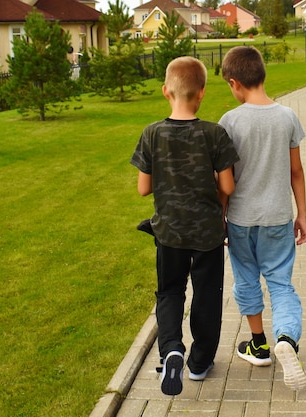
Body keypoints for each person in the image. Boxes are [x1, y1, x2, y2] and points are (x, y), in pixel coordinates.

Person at [130, 56, 239, 396]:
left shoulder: (152, 133)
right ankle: (200, 362)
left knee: (170, 291)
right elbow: (229, 187)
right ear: (202, 93)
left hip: (169, 233)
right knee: (207, 295)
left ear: (166, 91)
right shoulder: (214, 134)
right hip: (207, 232)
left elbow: (143, 188)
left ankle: (171, 349)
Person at [218, 46, 306, 391]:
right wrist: (302, 214)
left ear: (235, 83)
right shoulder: (287, 116)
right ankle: (286, 337)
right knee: (281, 284)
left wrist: (221, 217)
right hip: (278, 219)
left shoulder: (230, 121)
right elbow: (296, 172)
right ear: (263, 76)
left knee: (246, 280)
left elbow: (225, 180)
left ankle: (258, 344)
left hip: (241, 219)